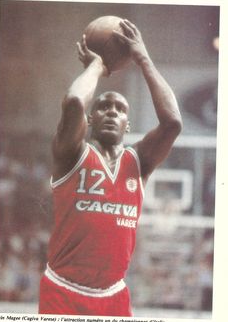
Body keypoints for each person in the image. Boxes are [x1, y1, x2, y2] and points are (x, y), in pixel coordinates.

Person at [38, 19, 182, 316]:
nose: (112, 112)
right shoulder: (71, 153)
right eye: (104, 106)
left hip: (114, 296)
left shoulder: (138, 162)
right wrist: (98, 66)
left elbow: (172, 122)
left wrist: (142, 57)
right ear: (91, 119)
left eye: (119, 109)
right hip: (63, 292)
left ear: (127, 124)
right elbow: (76, 100)